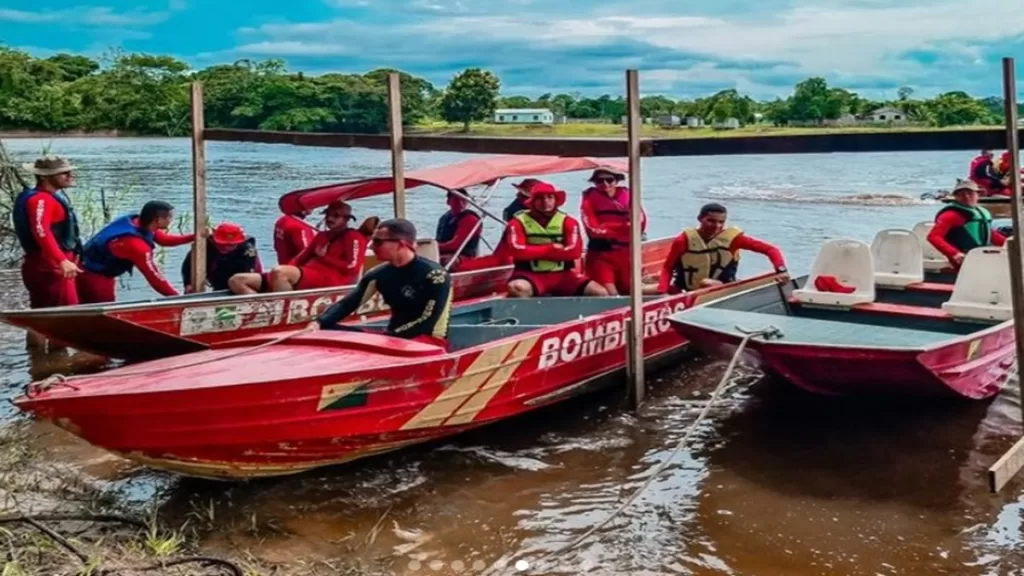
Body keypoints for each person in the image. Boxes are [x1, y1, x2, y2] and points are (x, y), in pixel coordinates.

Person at [314, 218, 453, 349]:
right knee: (326, 327)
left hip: (427, 340)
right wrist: (318, 323)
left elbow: (426, 321)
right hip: (391, 336)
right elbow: (347, 304)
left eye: (377, 242)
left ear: (401, 244)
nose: (371, 246)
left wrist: (389, 337)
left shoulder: (435, 275)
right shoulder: (378, 274)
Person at [228, 201, 373, 294]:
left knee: (281, 272)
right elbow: (301, 257)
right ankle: (262, 308)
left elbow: (352, 267)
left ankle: (281, 310)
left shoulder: (353, 237)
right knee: (237, 280)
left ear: (346, 219)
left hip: (330, 280)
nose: (330, 219)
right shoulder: (322, 235)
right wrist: (277, 274)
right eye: (328, 215)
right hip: (308, 274)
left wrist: (325, 258)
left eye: (336, 216)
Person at [655, 202, 787, 294]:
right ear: (700, 219)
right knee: (642, 290)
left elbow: (770, 250)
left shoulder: (734, 239)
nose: (716, 226)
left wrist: (781, 270)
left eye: (721, 222)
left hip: (720, 287)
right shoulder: (683, 240)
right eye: (711, 221)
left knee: (706, 282)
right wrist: (663, 290)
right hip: (685, 290)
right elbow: (668, 267)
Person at [77, 201, 195, 303]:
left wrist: (195, 236)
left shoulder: (137, 222)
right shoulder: (137, 246)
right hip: (94, 275)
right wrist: (178, 299)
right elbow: (155, 278)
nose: (171, 220)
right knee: (104, 307)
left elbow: (164, 240)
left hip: (88, 264)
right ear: (157, 220)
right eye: (168, 217)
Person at [505, 182, 607, 298]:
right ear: (533, 201)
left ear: (556, 200)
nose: (545, 202)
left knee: (599, 293)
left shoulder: (568, 222)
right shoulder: (517, 222)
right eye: (540, 198)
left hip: (564, 275)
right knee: (517, 287)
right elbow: (516, 250)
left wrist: (532, 251)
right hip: (530, 275)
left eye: (550, 197)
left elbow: (574, 252)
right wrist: (550, 249)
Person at [12, 156, 83, 310]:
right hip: (51, 269)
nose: (70, 176)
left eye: (69, 171)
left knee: (41, 320)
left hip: (44, 266)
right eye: (63, 173)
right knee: (69, 318)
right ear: (44, 176)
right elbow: (41, 231)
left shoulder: (43, 197)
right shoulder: (41, 200)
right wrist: (61, 260)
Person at [580, 168, 646, 295]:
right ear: (594, 183)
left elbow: (640, 223)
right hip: (602, 254)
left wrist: (606, 226)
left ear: (616, 181)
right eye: (600, 181)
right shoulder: (589, 198)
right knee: (611, 293)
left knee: (632, 291)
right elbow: (592, 229)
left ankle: (667, 292)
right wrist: (624, 228)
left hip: (627, 254)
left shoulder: (629, 195)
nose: (605, 184)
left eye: (609, 180)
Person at [927, 179, 1006, 269]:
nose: (966, 197)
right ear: (955, 197)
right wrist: (954, 253)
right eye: (961, 194)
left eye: (970, 193)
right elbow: (933, 237)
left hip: (981, 254)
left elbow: (988, 233)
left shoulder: (981, 212)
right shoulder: (950, 215)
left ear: (978, 194)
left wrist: (1008, 244)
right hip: (962, 258)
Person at [181, 222, 262, 292]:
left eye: (230, 245)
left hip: (241, 273)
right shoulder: (206, 244)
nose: (226, 248)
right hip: (217, 271)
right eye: (222, 244)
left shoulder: (248, 249)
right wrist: (188, 283)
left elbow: (250, 274)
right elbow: (188, 265)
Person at [435, 189, 482, 270]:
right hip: (444, 252)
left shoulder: (470, 219)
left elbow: (454, 245)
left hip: (463, 256)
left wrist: (434, 247)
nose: (461, 204)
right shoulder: (444, 218)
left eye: (464, 200)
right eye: (456, 200)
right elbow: (438, 239)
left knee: (445, 261)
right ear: (448, 202)